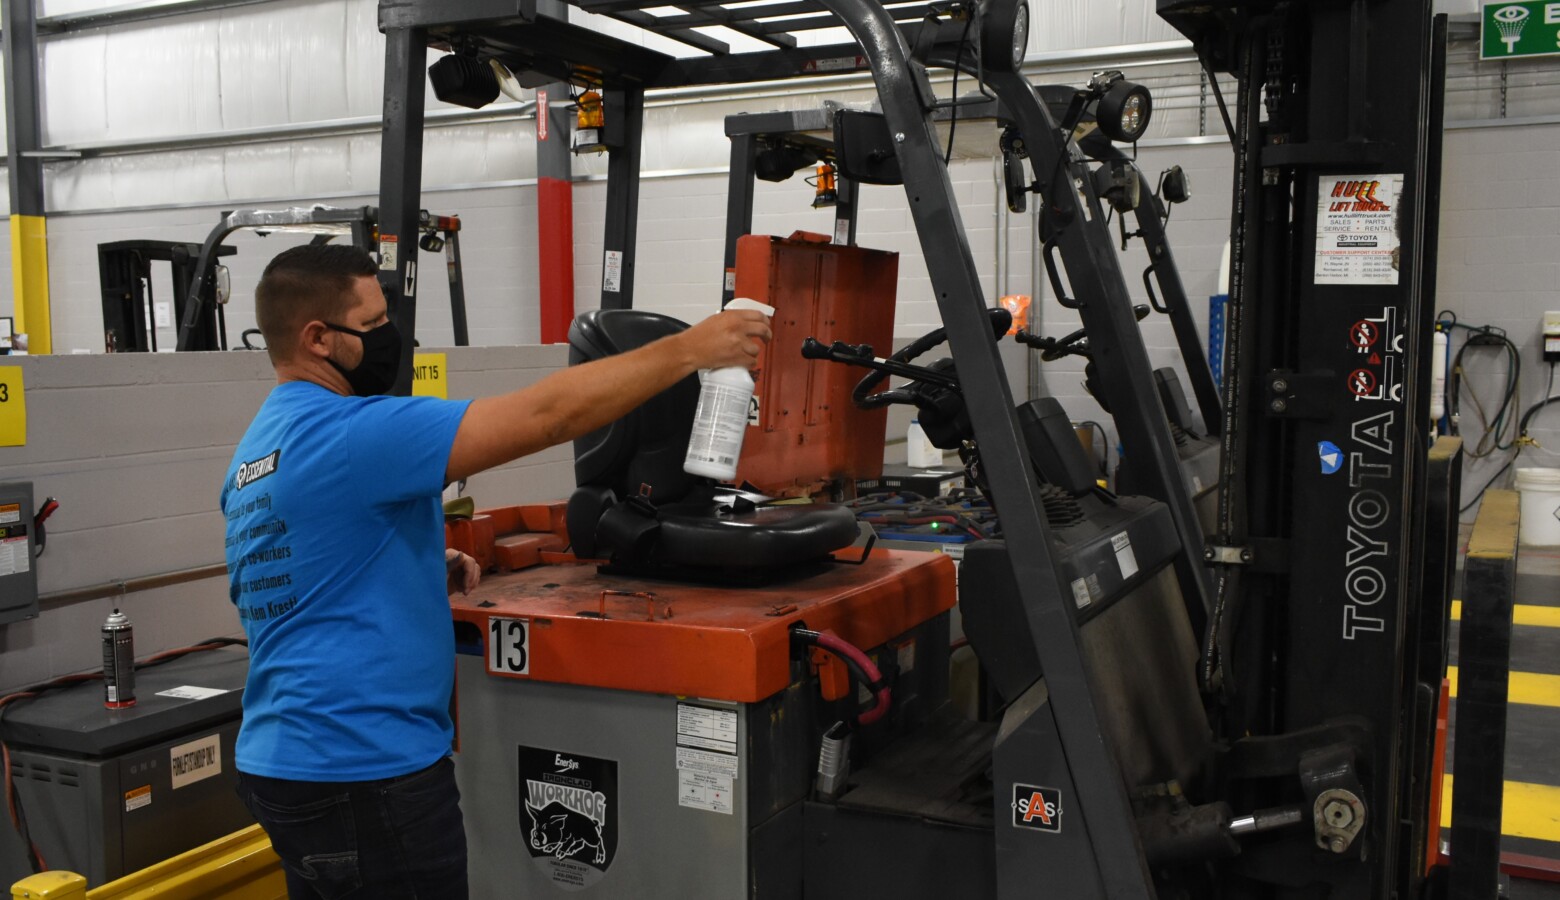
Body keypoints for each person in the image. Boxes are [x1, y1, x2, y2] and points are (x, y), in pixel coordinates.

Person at [222, 244, 770, 899]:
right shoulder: (353, 433)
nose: (389, 338)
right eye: (371, 326)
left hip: (283, 765)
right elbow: (547, 415)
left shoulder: (257, 451)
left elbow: (290, 582)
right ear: (317, 339)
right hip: (365, 775)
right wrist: (692, 350)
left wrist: (412, 566)